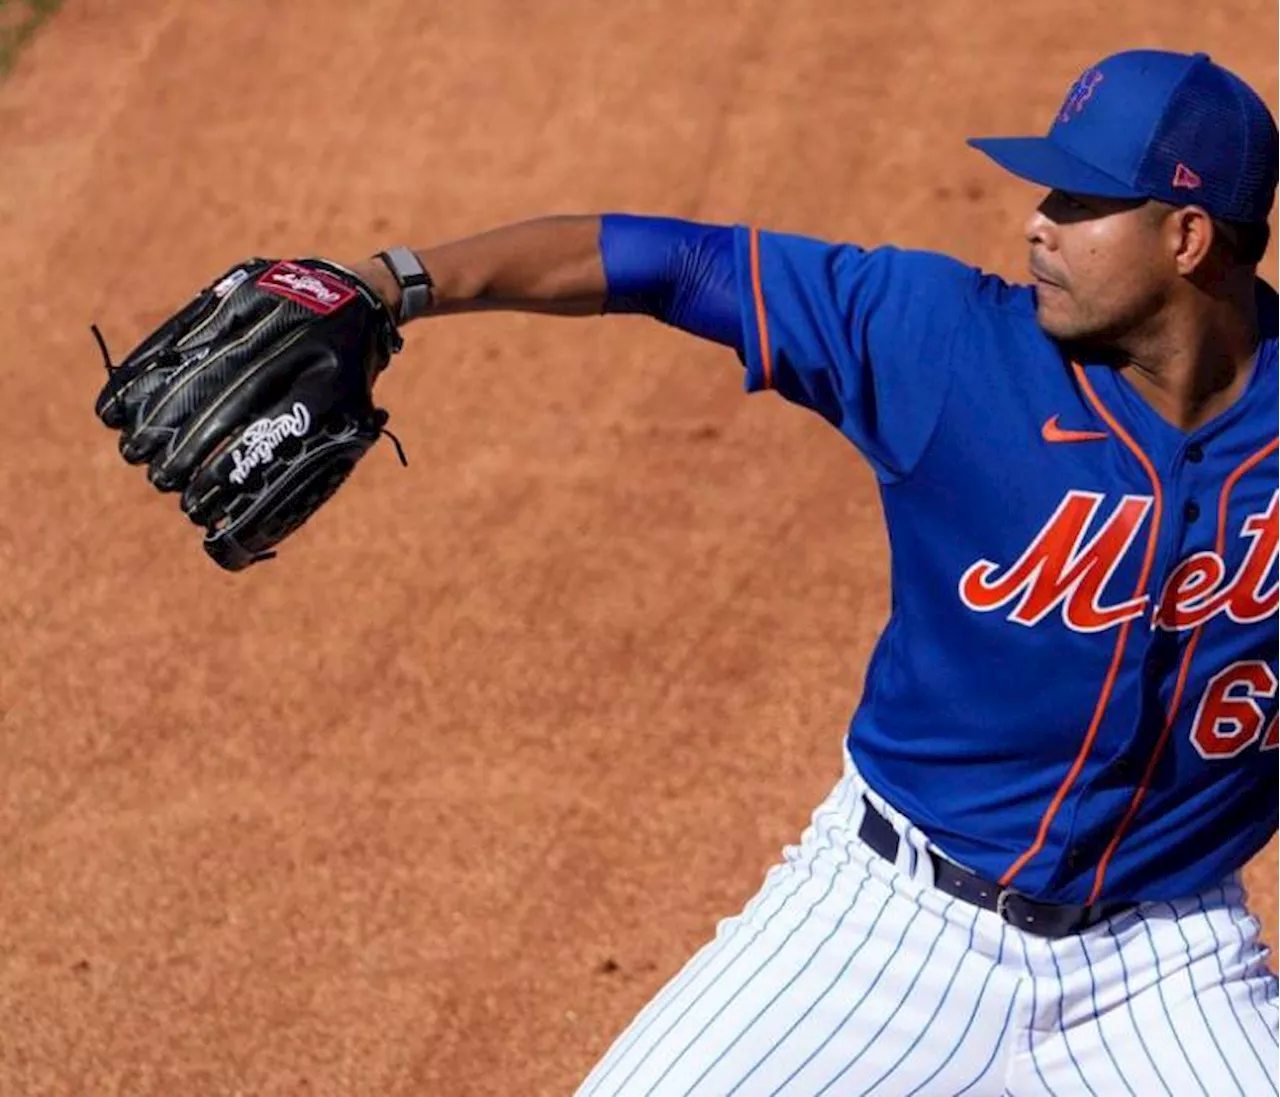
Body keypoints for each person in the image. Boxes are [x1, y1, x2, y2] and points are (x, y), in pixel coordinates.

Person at [99, 47, 1280, 1094]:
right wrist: (388, 283)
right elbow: (672, 262)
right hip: (885, 924)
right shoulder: (938, 340)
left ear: (1184, 237)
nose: (1035, 220)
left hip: (1163, 966)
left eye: (1079, 199)